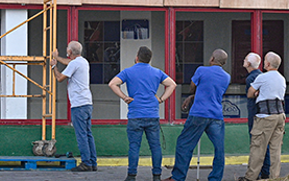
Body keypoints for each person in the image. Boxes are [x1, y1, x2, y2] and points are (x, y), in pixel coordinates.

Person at [108, 46, 177, 181]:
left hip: (135, 115)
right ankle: (156, 176)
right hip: (152, 115)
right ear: (149, 59)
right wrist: (161, 99)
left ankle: (131, 176)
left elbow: (112, 84)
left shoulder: (128, 72)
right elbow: (172, 84)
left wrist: (124, 97)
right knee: (155, 147)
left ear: (137, 58)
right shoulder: (157, 72)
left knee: (134, 147)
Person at [163, 49, 230, 181]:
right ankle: (215, 178)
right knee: (219, 149)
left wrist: (192, 95)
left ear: (212, 59)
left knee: (184, 144)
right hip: (216, 115)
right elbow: (213, 91)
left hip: (199, 113)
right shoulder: (227, 77)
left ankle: (178, 177)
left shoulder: (201, 70)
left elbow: (193, 86)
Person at [238, 51, 287, 181]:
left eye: (265, 60)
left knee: (257, 148)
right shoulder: (281, 78)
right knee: (275, 149)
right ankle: (273, 177)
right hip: (280, 115)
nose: (263, 62)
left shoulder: (263, 77)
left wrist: (256, 94)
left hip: (265, 116)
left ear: (268, 63)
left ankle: (251, 177)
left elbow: (250, 93)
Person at [51, 41, 97, 172]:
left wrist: (54, 66)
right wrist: (58, 58)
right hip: (87, 103)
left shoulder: (75, 63)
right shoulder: (83, 61)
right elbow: (68, 63)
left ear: (70, 52)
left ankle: (86, 163)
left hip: (78, 104)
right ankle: (92, 162)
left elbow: (60, 78)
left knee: (81, 135)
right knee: (88, 134)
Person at [243, 52, 270, 179]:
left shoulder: (251, 78)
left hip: (255, 113)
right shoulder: (262, 75)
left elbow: (254, 94)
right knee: (265, 143)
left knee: (256, 144)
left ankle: (258, 173)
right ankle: (265, 171)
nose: (243, 61)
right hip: (264, 113)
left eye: (245, 59)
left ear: (248, 63)